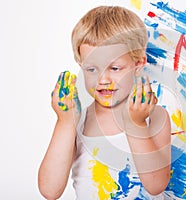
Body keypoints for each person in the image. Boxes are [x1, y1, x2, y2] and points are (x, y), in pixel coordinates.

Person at [38, 6, 171, 200]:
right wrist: (64, 122)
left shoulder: (155, 117)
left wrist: (137, 124)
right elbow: (50, 191)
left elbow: (156, 185)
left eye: (115, 68)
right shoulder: (77, 120)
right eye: (91, 69)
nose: (103, 79)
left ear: (139, 64)